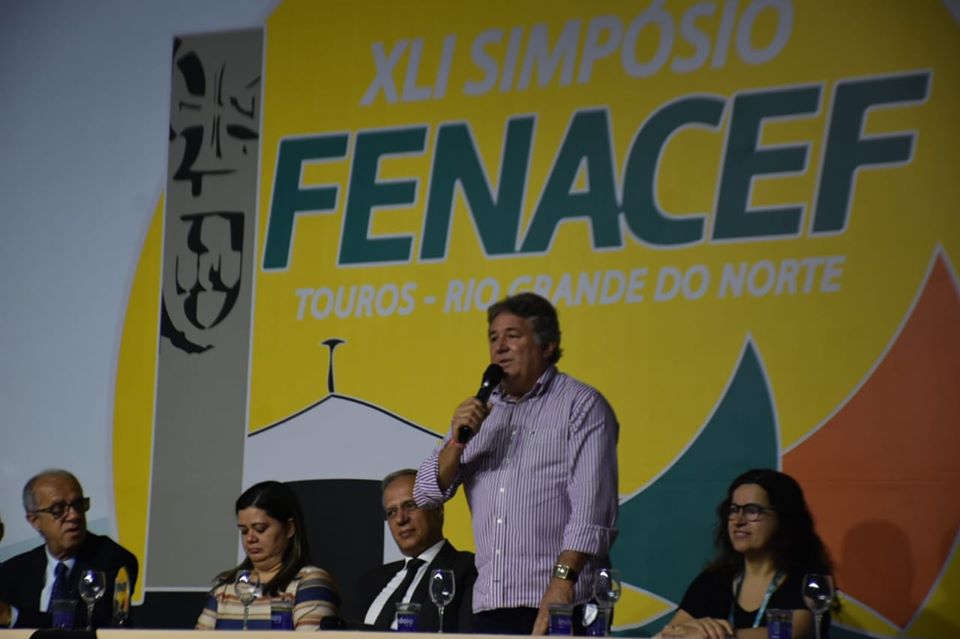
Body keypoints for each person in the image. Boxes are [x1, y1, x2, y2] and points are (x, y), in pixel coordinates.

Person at [414, 292, 620, 635]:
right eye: (493, 338)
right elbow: (426, 494)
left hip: (561, 601)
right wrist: (457, 441)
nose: (500, 347)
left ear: (547, 345)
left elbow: (592, 511)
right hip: (492, 604)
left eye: (513, 335)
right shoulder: (481, 412)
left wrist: (562, 583)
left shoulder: (581, 405)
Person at [659, 469, 835, 639]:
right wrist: (691, 630)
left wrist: (716, 636)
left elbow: (792, 633)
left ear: (783, 518)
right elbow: (668, 634)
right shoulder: (713, 580)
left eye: (752, 511)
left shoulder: (807, 577)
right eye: (733, 510)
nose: (738, 520)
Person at [0, 469, 139, 629]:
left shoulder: (112, 560)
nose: (74, 516)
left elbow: (87, 624)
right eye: (58, 509)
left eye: (78, 504)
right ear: (34, 520)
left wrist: (10, 616)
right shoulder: (12, 572)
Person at [195, 480, 340, 630]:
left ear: (289, 529)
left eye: (260, 529)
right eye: (244, 531)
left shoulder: (308, 583)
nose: (250, 538)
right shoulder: (226, 588)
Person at [344, 469, 476, 632]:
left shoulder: (468, 570)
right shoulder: (370, 581)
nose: (400, 519)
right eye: (391, 513)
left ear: (438, 509)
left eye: (410, 505)